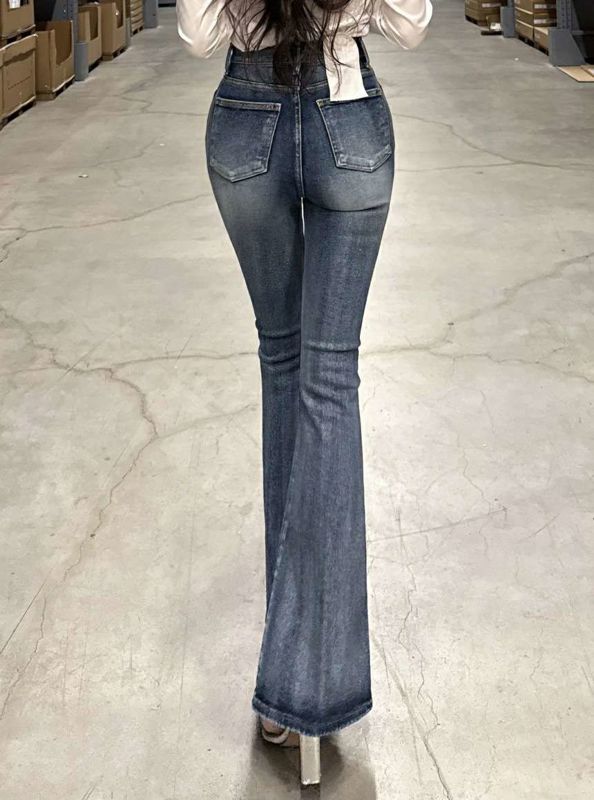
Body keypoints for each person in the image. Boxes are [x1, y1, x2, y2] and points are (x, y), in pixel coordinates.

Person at [176, 0, 433, 785]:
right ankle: (311, 681)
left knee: (283, 368)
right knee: (330, 384)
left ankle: (285, 694)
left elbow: (197, 36)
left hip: (246, 121)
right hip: (345, 118)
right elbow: (413, 22)